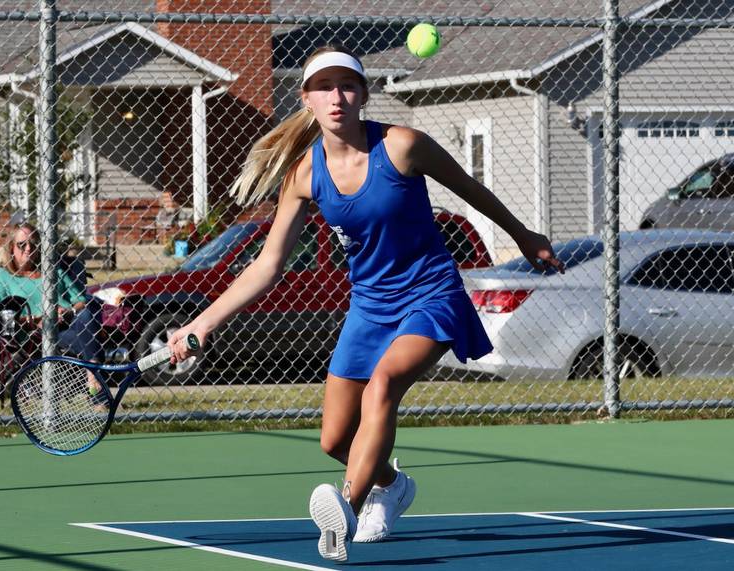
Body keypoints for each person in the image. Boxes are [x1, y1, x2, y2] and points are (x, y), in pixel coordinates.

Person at [167, 45, 564, 562]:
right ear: (306, 99)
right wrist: (202, 322)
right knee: (336, 440)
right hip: (369, 307)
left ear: (363, 96)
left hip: (431, 294)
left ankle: (346, 506)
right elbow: (266, 267)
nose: (337, 97)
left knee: (382, 388)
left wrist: (524, 234)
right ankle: (392, 487)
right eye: (325, 87)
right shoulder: (304, 176)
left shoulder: (403, 146)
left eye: (347, 86)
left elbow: (468, 188)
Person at [0, 222, 103, 367]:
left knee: (85, 315)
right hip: (34, 336)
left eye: (34, 244)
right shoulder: (0, 275)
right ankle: (94, 369)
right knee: (92, 343)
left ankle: (92, 370)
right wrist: (40, 319)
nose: (29, 249)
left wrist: (67, 311)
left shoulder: (51, 270)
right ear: (11, 248)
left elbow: (81, 300)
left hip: (64, 328)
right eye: (22, 244)